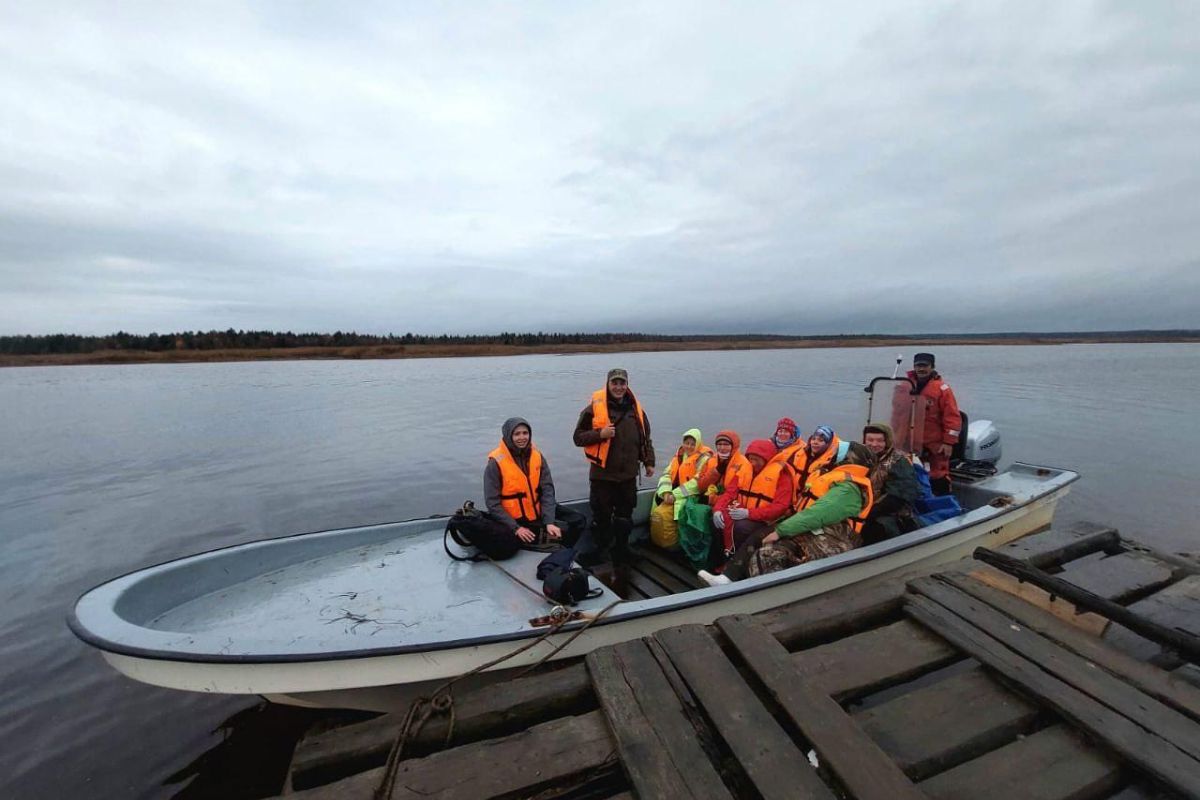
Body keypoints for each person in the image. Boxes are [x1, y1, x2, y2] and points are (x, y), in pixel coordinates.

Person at [703, 442, 876, 584]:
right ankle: (728, 577)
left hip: (832, 536)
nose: (833, 454)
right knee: (756, 537)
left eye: (838, 452)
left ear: (849, 459)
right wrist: (720, 509)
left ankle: (757, 590)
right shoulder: (836, 478)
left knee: (767, 551)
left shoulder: (848, 489)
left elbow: (816, 514)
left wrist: (780, 530)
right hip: (810, 527)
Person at [573, 368, 654, 565]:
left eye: (622, 383)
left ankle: (622, 549)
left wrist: (649, 461)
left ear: (627, 385)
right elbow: (578, 438)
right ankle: (600, 551)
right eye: (614, 383)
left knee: (625, 517)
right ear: (608, 384)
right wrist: (599, 434)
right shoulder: (593, 409)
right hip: (602, 476)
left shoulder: (637, 411)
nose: (618, 387)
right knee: (601, 517)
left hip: (628, 476)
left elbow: (646, 439)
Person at [698, 439, 793, 583]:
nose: (752, 463)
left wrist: (749, 513)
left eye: (756, 460)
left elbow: (780, 507)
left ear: (766, 458)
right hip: (743, 512)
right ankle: (716, 566)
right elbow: (730, 493)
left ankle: (735, 573)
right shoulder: (744, 470)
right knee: (716, 522)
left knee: (742, 528)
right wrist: (717, 510)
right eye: (750, 459)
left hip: (767, 519)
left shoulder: (782, 475)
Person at [484, 417, 586, 548]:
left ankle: (563, 553)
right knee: (541, 541)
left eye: (525, 433)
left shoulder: (537, 456)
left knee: (578, 520)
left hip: (539, 511)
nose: (522, 438)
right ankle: (553, 549)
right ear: (508, 436)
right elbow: (492, 504)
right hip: (517, 520)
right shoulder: (495, 463)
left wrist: (549, 521)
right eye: (517, 434)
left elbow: (547, 490)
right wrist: (516, 528)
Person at [907, 353, 962, 496]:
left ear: (932, 367)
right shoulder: (904, 386)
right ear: (914, 367)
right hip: (909, 442)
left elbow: (953, 417)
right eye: (918, 366)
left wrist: (948, 442)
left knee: (937, 476)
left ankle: (945, 505)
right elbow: (897, 414)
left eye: (925, 366)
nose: (921, 369)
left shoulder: (942, 389)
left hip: (934, 444)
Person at [860, 422, 919, 545]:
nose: (874, 444)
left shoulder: (899, 461)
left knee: (871, 529)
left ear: (887, 441)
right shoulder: (858, 457)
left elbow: (898, 497)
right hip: (859, 507)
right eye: (870, 440)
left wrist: (867, 514)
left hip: (889, 513)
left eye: (880, 441)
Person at [773, 425, 842, 506]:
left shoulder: (830, 464)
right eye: (813, 439)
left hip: (808, 505)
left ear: (828, 444)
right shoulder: (799, 455)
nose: (815, 442)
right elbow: (787, 476)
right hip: (789, 500)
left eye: (821, 440)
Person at [655, 428, 713, 506]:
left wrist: (674, 495)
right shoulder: (680, 456)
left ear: (698, 444)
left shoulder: (704, 458)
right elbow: (666, 474)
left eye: (693, 444)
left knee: (678, 505)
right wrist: (665, 492)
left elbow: (696, 483)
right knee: (657, 496)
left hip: (692, 494)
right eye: (687, 443)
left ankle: (676, 518)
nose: (689, 446)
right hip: (674, 492)